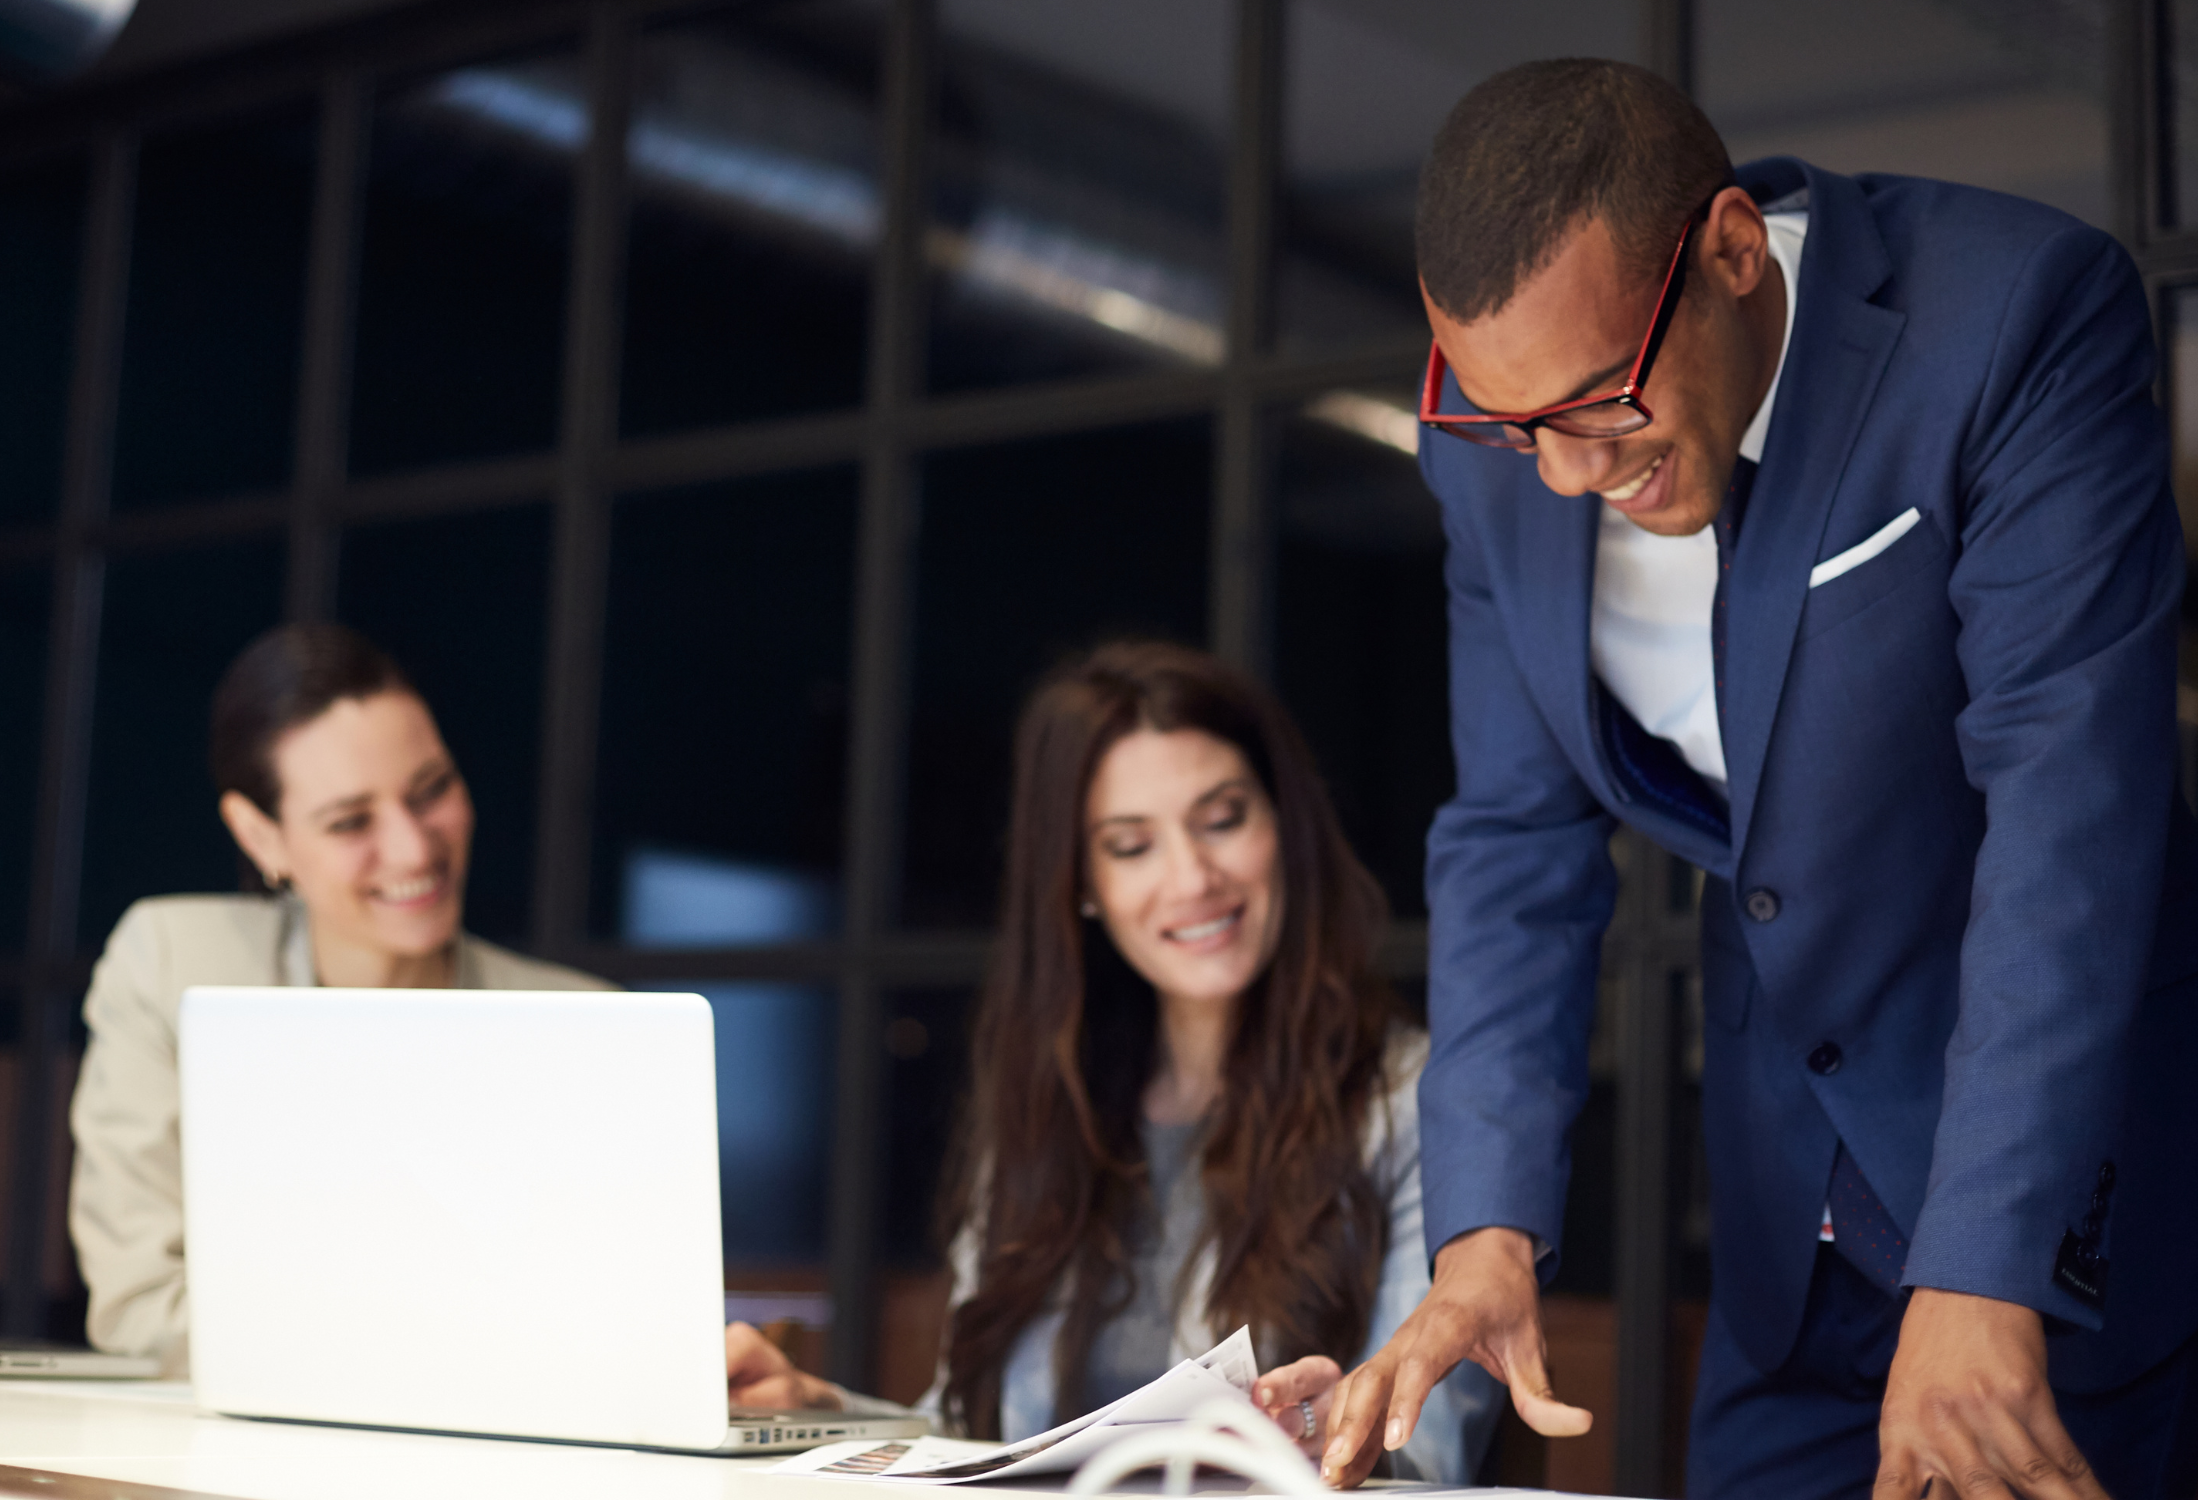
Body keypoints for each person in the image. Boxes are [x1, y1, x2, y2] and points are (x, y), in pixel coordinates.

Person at [1318, 59, 2198, 1500]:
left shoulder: (2013, 318)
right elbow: (1512, 846)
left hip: (2049, 1208)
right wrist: (1483, 1239)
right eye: (1505, 421)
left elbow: (2067, 825)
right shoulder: (1497, 452)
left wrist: (1986, 1270)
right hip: (1785, 1233)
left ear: (1730, 253)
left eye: (1596, 406)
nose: (1553, 476)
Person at [725, 640, 1502, 1480]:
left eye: (1223, 819)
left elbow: (1432, 1458)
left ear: (1284, 824)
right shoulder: (1050, 1102)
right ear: (1084, 885)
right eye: (1132, 846)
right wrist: (815, 1415)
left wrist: (1340, 1444)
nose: (1192, 877)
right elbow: (977, 1430)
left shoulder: (1417, 1101)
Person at [68, 622, 614, 1373]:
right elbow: (142, 1309)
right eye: (351, 821)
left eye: (432, 791)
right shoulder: (171, 966)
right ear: (261, 839)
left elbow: (619, 1336)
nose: (414, 850)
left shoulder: (591, 1029)